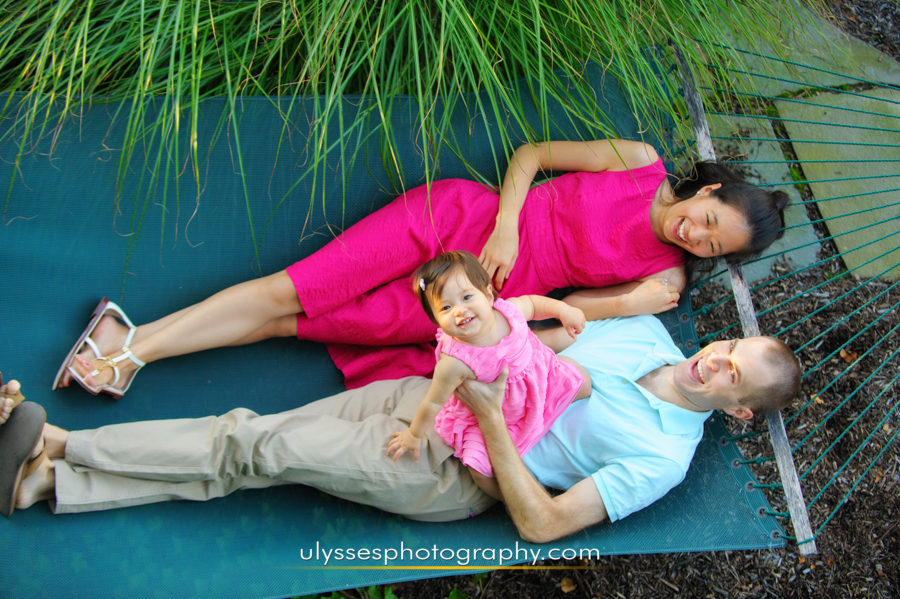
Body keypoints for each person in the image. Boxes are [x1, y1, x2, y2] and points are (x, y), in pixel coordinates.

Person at [54, 139, 790, 396]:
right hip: (462, 220)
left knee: (296, 321)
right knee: (296, 287)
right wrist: (507, 226)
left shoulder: (665, 277)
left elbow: (568, 315)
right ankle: (133, 348)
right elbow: (532, 156)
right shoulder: (638, 162)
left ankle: (128, 345)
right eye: (709, 222)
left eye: (713, 248)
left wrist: (628, 305)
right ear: (710, 192)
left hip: (478, 300)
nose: (696, 237)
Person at [7, 315, 801, 543]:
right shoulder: (648, 334)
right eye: (728, 346)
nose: (715, 360)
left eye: (733, 375)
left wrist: (490, 421)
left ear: (738, 409)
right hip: (426, 396)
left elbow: (544, 523)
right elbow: (537, 341)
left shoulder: (662, 457)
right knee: (243, 441)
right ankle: (50, 481)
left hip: (452, 470)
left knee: (255, 445)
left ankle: (61, 444)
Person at [386, 251, 592, 477]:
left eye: (467, 297)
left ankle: (554, 414)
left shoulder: (509, 312)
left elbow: (533, 305)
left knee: (583, 381)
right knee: (480, 469)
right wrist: (414, 434)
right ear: (436, 320)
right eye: (445, 308)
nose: (459, 310)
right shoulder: (455, 363)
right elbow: (433, 401)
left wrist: (564, 311)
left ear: (487, 295)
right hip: (499, 416)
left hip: (541, 382)